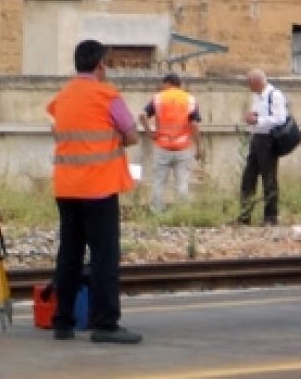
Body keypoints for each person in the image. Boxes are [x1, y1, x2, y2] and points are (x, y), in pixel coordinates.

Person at [46, 39, 143, 344]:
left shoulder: (61, 97)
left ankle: (63, 322)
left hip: (66, 188)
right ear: (100, 64)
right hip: (99, 189)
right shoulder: (107, 95)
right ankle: (105, 324)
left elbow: (58, 130)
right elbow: (131, 136)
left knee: (69, 255)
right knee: (104, 258)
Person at [138, 72, 202, 213]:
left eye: (163, 84)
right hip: (183, 148)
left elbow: (142, 115)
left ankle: (157, 212)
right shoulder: (190, 99)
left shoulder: (158, 98)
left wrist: (150, 133)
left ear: (168, 83)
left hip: (163, 146)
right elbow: (195, 125)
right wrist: (198, 147)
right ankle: (182, 213)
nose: (161, 87)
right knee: (182, 182)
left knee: (159, 181)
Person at [239, 69, 286, 226]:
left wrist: (257, 121)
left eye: (249, 83)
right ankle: (245, 216)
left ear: (257, 82)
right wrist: (251, 118)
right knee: (248, 178)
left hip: (269, 140)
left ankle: (270, 217)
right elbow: (257, 114)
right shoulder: (257, 97)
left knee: (269, 179)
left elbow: (280, 118)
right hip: (257, 139)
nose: (248, 87)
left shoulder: (275, 95)